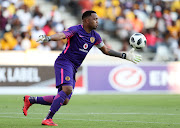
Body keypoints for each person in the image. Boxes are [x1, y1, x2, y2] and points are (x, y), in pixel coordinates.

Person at [22, 10, 142, 126]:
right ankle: (48, 119)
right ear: (86, 20)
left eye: (97, 19)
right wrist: (48, 38)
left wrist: (125, 55)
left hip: (74, 67)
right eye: (94, 19)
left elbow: (106, 50)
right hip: (64, 62)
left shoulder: (95, 36)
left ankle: (31, 100)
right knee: (67, 89)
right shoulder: (75, 30)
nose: (97, 21)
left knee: (64, 100)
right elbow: (62, 35)